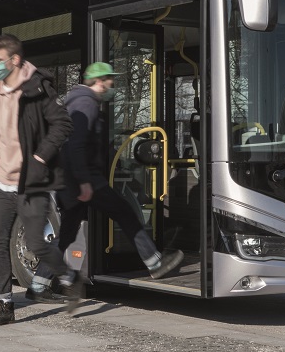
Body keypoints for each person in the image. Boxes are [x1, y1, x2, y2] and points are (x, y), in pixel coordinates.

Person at [30, 62, 184, 300]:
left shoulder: (80, 101)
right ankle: (154, 262)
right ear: (100, 81)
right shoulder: (85, 102)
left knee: (67, 234)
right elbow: (76, 146)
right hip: (85, 180)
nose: (113, 85)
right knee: (125, 212)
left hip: (74, 181)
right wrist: (84, 182)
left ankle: (38, 285)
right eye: (111, 81)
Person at [0, 34, 76, 325]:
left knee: (36, 242)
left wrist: (40, 158)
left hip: (31, 182)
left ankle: (69, 276)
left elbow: (62, 123)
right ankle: (4, 305)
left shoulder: (37, 88)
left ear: (15, 60)